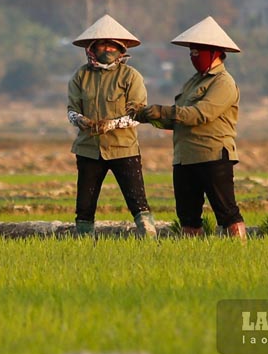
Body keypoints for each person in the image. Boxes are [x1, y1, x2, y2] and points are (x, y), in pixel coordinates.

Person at [135, 17, 246, 240]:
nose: (194, 55)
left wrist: (162, 111)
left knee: (227, 212)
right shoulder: (194, 81)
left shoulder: (223, 82)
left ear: (215, 52)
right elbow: (178, 118)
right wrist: (148, 115)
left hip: (213, 155)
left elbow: (199, 114)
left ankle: (239, 252)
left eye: (198, 51)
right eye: (192, 51)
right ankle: (192, 253)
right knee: (188, 216)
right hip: (185, 158)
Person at [66, 14, 157, 237]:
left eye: (111, 45)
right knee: (85, 205)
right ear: (92, 48)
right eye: (101, 45)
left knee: (137, 200)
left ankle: (149, 237)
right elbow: (71, 111)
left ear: (120, 48)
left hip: (123, 148)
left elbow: (138, 115)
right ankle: (83, 242)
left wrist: (112, 124)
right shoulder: (81, 76)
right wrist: (81, 120)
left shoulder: (130, 76)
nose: (106, 49)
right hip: (89, 148)